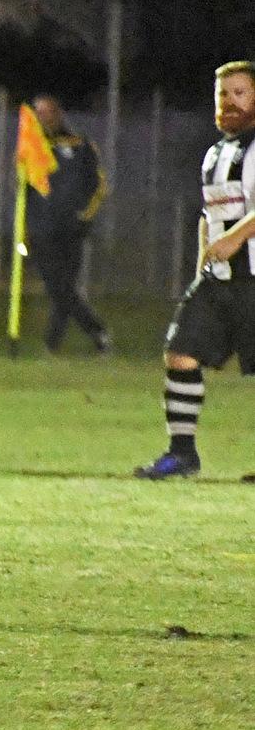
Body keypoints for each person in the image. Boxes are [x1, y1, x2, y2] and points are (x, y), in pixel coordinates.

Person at [136, 62, 255, 481]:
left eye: (240, 93)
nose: (229, 102)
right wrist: (202, 256)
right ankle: (182, 453)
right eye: (223, 94)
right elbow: (210, 213)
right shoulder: (215, 153)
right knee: (180, 353)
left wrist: (237, 238)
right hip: (218, 280)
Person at [25, 95, 110, 354]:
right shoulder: (32, 150)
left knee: (64, 289)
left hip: (72, 230)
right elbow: (24, 193)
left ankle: (53, 344)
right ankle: (97, 331)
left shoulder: (80, 145)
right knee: (59, 288)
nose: (44, 118)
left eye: (48, 113)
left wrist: (84, 217)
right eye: (38, 114)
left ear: (58, 114)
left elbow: (99, 185)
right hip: (41, 231)